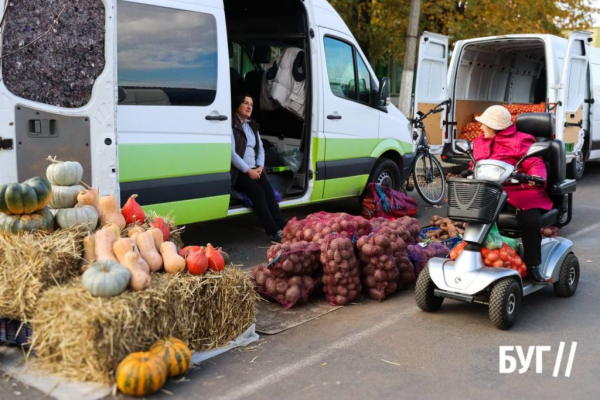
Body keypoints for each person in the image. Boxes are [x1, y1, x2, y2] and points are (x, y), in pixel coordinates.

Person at [471, 105, 553, 284]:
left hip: (520, 189)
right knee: (467, 211)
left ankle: (533, 265)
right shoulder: (480, 141)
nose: (481, 127)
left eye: (484, 124)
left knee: (530, 219)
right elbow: (475, 164)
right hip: (490, 190)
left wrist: (537, 176)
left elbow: (534, 163)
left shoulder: (521, 141)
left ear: (494, 126)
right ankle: (472, 258)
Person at [231, 93, 286, 242]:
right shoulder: (231, 124)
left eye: (251, 104)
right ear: (237, 105)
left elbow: (260, 148)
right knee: (258, 192)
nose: (249, 107)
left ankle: (284, 226)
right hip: (239, 172)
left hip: (255, 168)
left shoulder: (252, 126)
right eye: (245, 103)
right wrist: (248, 171)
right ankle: (274, 232)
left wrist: (260, 166)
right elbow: (232, 154)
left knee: (268, 190)